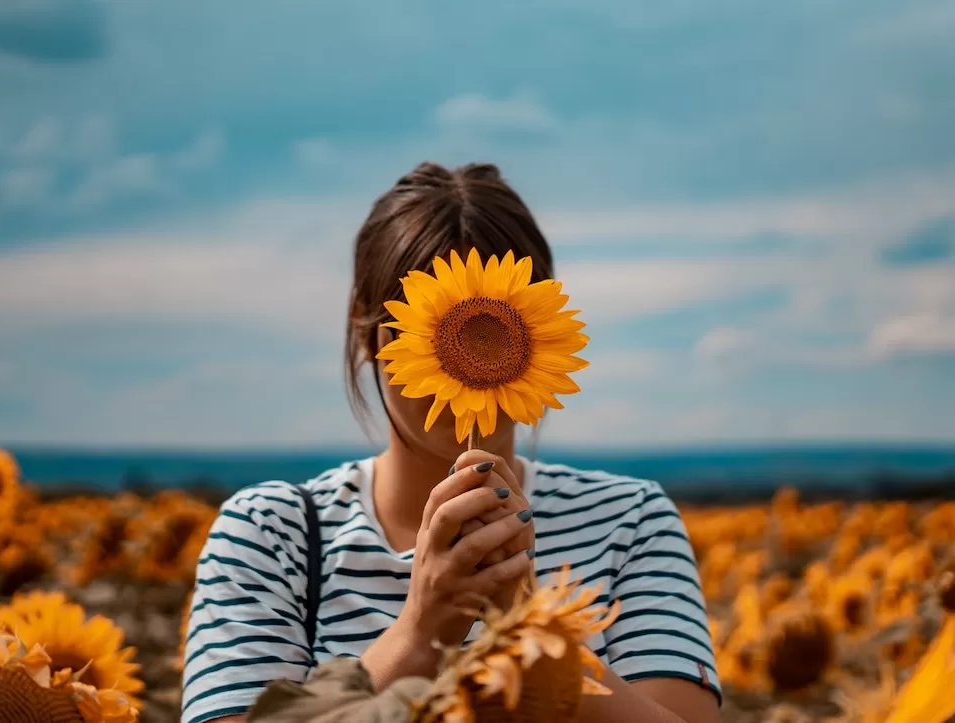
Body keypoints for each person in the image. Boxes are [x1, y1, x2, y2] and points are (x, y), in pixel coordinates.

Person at [180, 162, 722, 723]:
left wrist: (532, 630)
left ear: (540, 327)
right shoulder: (273, 536)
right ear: (368, 335)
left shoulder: (628, 522)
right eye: (422, 327)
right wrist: (422, 629)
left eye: (502, 321)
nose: (467, 364)